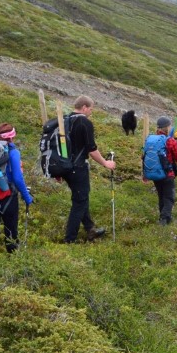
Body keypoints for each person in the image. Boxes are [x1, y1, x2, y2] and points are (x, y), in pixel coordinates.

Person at [62, 95, 116, 243]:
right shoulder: (84, 122)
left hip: (65, 167)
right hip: (78, 167)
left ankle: (90, 228)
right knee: (79, 202)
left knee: (81, 197)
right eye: (91, 109)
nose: (91, 112)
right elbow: (92, 150)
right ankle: (69, 240)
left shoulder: (65, 120)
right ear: (84, 107)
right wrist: (105, 163)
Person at [0, 123, 34, 253]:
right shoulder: (13, 152)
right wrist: (27, 197)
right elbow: (17, 177)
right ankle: (12, 260)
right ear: (12, 137)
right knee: (11, 231)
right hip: (8, 196)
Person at [144, 117, 177, 225]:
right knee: (169, 197)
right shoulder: (170, 141)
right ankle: (164, 219)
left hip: (155, 172)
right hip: (168, 173)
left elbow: (143, 155)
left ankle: (163, 217)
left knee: (161, 195)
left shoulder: (150, 139)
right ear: (167, 127)